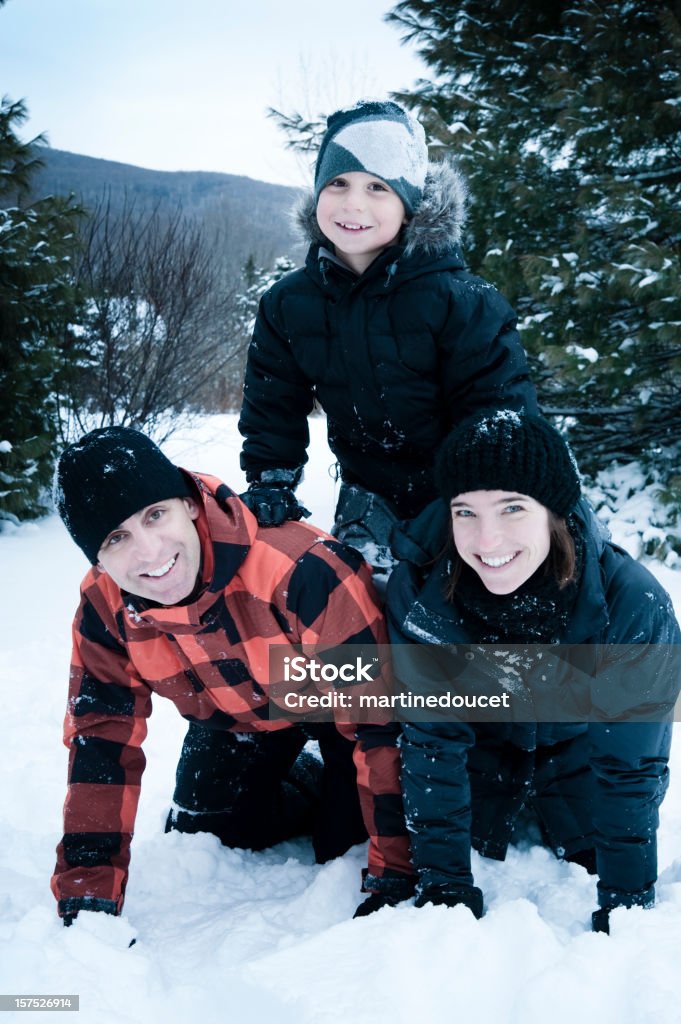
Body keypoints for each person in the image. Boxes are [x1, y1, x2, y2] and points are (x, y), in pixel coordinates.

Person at [51, 426, 414, 924]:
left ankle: (328, 771)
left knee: (341, 846)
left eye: (156, 515)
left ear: (191, 504)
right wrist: (87, 896)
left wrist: (393, 871)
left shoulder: (301, 570)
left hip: (339, 711)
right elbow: (100, 741)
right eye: (117, 538)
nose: (151, 552)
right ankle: (305, 773)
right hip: (238, 716)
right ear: (99, 558)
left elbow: (380, 718)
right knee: (208, 830)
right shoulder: (103, 607)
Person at [386, 410, 680, 933]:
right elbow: (432, 745)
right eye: (465, 512)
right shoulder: (423, 594)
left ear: (554, 512)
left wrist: (627, 906)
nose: (488, 540)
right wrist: (444, 883)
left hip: (580, 767)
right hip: (480, 768)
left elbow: (631, 767)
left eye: (512, 508)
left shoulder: (631, 602)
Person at [238, 99, 537, 586]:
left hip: (464, 496)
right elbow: (273, 402)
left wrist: (483, 507)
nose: (353, 204)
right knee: (358, 625)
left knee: (457, 624)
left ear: (410, 202)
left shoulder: (462, 302)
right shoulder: (290, 303)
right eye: (338, 184)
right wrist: (272, 476)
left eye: (378, 187)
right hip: (368, 497)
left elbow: (499, 414)